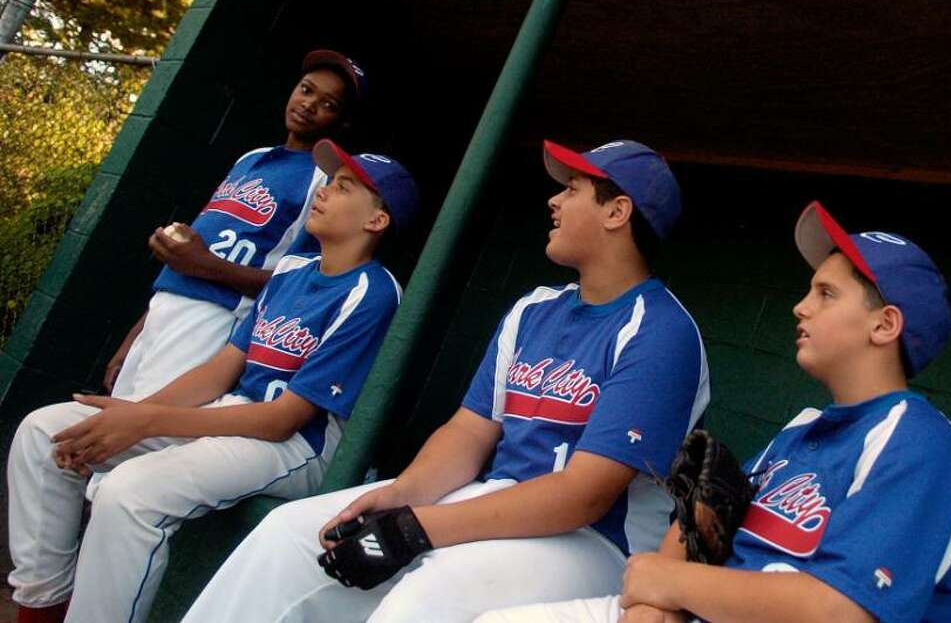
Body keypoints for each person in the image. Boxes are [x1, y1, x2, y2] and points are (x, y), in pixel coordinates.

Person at [181, 139, 711, 623]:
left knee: (424, 596)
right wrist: (401, 495)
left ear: (617, 212)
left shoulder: (662, 331)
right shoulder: (533, 309)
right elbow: (469, 430)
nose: (553, 202)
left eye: (572, 190)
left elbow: (583, 496)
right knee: (286, 537)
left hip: (593, 542)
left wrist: (418, 528)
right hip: (491, 499)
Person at [482, 200, 951, 623]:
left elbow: (838, 609)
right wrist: (656, 601)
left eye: (826, 294)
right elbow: (697, 530)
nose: (800, 308)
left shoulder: (920, 441)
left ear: (885, 325)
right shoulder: (800, 432)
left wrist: (670, 583)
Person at [6, 141, 418, 623]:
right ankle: (44, 607)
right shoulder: (290, 271)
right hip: (229, 413)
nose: (325, 191)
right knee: (44, 432)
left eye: (344, 187)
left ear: (376, 221)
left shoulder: (373, 293)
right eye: (329, 181)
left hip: (296, 447)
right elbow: (221, 367)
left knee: (130, 494)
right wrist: (131, 414)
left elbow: (284, 419)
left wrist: (147, 422)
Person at [104, 48, 367, 399]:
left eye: (329, 104)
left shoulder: (324, 181)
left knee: (140, 431)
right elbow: (187, 262)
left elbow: (299, 283)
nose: (309, 104)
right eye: (306, 89)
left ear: (343, 121)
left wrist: (206, 266)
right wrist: (136, 332)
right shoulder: (250, 158)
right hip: (166, 304)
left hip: (217, 316)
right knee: (112, 423)